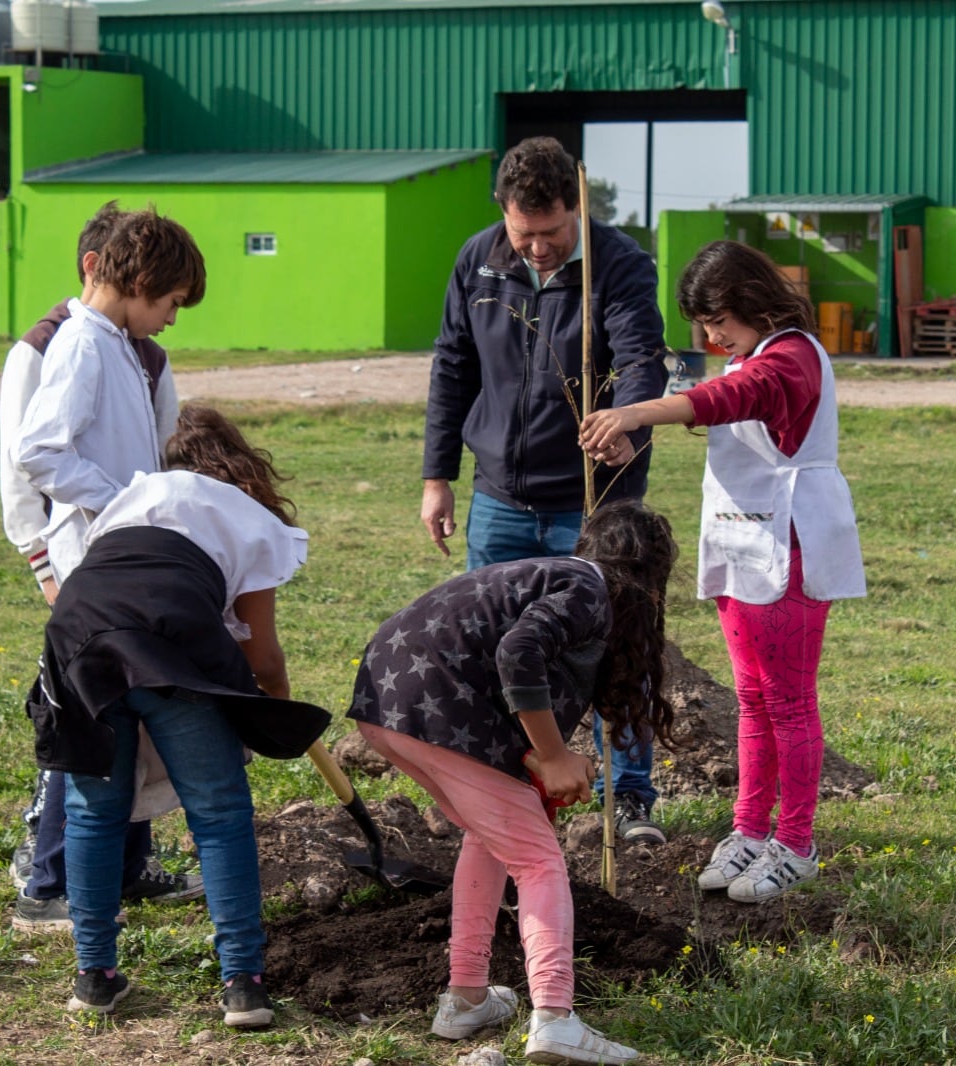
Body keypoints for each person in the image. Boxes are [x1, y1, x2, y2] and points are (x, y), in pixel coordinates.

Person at [578, 240, 866, 903]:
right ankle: (747, 830)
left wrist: (633, 412)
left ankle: (795, 843)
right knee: (755, 704)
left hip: (787, 545)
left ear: (753, 302)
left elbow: (734, 397)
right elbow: (707, 391)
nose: (709, 337)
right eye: (701, 326)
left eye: (717, 321)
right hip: (745, 547)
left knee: (788, 704)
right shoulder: (749, 355)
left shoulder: (790, 358)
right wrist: (632, 428)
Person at [28, 404, 330, 1022]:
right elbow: (264, 656)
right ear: (245, 470)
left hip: (80, 639)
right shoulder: (248, 518)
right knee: (219, 814)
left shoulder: (133, 496)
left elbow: (107, 579)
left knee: (92, 813)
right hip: (172, 641)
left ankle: (95, 977)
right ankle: (243, 984)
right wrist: (275, 713)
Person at [350, 499, 677, 1065]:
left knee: (494, 839)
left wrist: (544, 760)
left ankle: (466, 998)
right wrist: (552, 756)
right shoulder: (590, 589)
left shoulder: (551, 575)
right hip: (436, 708)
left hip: (387, 701)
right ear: (649, 579)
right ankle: (554, 1018)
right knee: (537, 860)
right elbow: (518, 651)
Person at [419, 135, 670, 844]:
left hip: (595, 501)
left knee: (618, 645)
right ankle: (497, 791)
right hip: (499, 497)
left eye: (553, 232)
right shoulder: (477, 261)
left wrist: (628, 421)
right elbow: (451, 368)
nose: (537, 248)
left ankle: (632, 797)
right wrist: (438, 477)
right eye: (523, 233)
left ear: (577, 209)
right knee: (490, 646)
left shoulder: (619, 264)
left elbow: (639, 358)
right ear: (503, 214)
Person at [9, 206, 208, 931]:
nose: (172, 320)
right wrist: (123, 500)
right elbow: (38, 454)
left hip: (119, 557)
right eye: (170, 303)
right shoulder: (80, 348)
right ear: (139, 282)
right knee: (91, 722)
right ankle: (49, 885)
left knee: (125, 715)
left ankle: (122, 869)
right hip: (94, 561)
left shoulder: (117, 343)